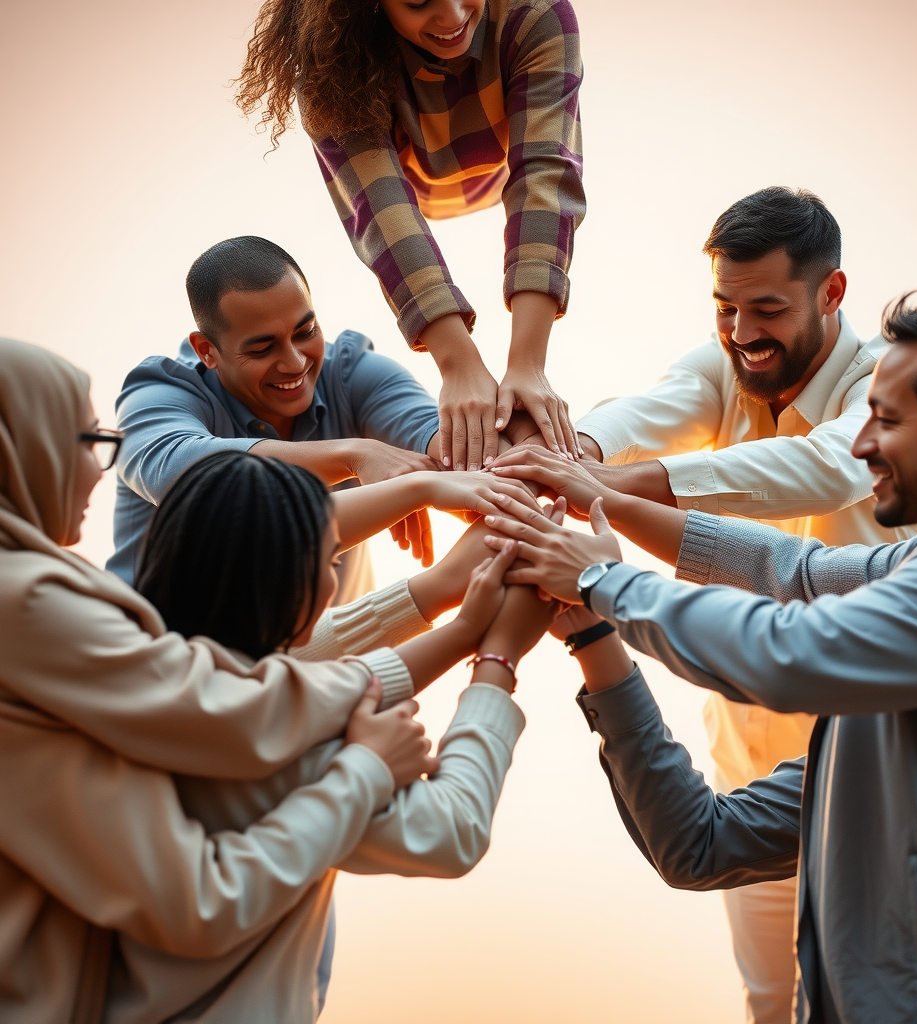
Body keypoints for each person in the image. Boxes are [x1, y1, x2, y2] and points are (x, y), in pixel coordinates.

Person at [483, 290, 917, 1022]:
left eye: (887, 422)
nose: (862, 446)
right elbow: (699, 845)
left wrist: (603, 578)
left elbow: (790, 653)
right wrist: (593, 610)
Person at [0, 336, 547, 1023]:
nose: (97, 469)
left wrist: (453, 616)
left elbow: (242, 672)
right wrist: (490, 671)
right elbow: (450, 828)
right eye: (86, 440)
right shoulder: (275, 743)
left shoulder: (125, 670)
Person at [106, 450, 558, 1022]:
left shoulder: (146, 681)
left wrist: (459, 620)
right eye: (329, 560)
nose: (333, 579)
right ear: (289, 583)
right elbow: (452, 829)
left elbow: (307, 663)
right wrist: (499, 659)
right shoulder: (287, 749)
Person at [236, 0, 585, 472]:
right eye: (420, 2)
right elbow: (383, 211)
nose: (454, 16)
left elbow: (544, 175)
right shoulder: (329, 59)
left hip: (494, 153)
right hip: (405, 170)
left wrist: (528, 363)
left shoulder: (536, 14)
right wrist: (458, 363)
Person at [108, 235, 446, 600]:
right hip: (165, 647)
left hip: (331, 648)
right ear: (207, 351)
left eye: (306, 332)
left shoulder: (351, 373)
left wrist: (485, 465)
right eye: (263, 348)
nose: (296, 363)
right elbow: (180, 471)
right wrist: (355, 456)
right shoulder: (160, 392)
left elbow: (445, 441)